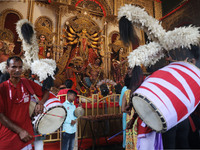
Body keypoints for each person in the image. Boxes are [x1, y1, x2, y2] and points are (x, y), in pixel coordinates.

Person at [0, 56, 49, 150]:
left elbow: (46, 92)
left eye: (20, 67)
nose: (17, 70)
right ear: (7, 68)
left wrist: (41, 103)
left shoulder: (26, 83)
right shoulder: (2, 88)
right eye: (14, 67)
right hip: (7, 137)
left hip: (25, 137)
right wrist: (20, 131)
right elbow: (1, 116)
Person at [119, 67, 132, 148]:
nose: (129, 71)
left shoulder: (126, 89)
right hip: (128, 114)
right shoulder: (125, 89)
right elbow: (122, 106)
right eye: (128, 69)